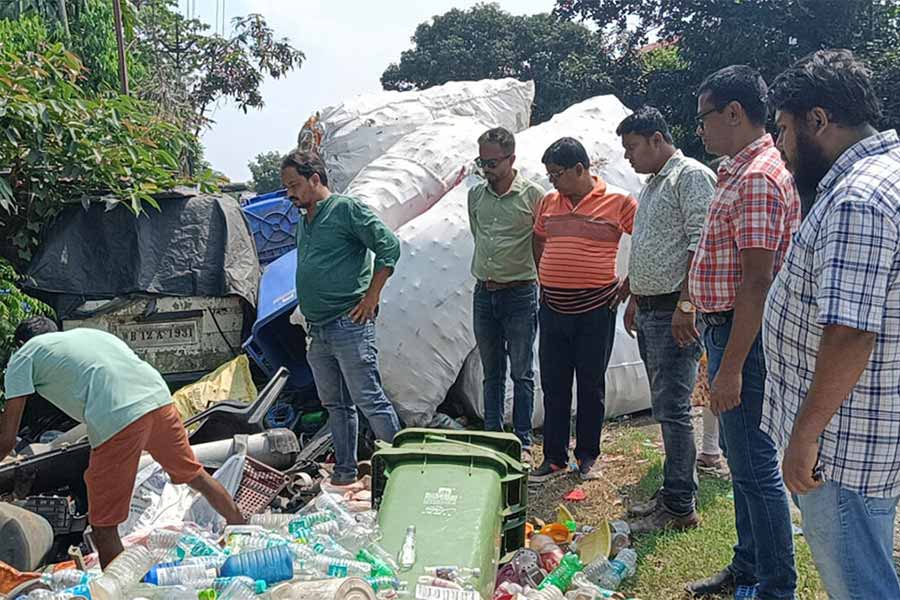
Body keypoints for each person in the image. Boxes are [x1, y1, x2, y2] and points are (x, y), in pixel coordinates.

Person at [765, 49, 900, 599]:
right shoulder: (884, 173)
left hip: (840, 445)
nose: (780, 144)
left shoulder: (856, 198)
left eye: (784, 129)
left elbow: (849, 331)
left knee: (859, 583)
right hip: (863, 427)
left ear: (817, 121)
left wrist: (805, 434)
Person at [685, 65, 799, 599]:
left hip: (742, 339)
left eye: (705, 117)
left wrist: (730, 367)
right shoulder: (739, 170)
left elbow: (756, 282)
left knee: (755, 468)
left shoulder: (757, 178)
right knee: (744, 466)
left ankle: (775, 586)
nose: (700, 129)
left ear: (734, 113)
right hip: (727, 331)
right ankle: (748, 567)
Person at [0, 319, 245, 568]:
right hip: (159, 400)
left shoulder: (23, 356)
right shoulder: (88, 335)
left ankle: (118, 590)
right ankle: (246, 534)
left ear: (20, 344)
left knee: (103, 528)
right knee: (195, 475)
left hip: (118, 416)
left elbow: (7, 440)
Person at [616, 106, 715, 533]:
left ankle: (679, 505)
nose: (628, 157)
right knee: (664, 407)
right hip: (654, 307)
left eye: (632, 147)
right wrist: (636, 294)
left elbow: (701, 243)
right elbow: (653, 246)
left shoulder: (689, 176)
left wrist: (687, 305)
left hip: (676, 309)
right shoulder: (656, 183)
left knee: (673, 409)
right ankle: (674, 489)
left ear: (657, 139)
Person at [281, 150, 401, 487]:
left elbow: (389, 247)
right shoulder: (306, 220)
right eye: (287, 187)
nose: (290, 193)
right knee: (336, 404)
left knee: (369, 399)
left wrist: (371, 296)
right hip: (318, 330)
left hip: (349, 324)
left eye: (294, 185)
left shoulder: (346, 210)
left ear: (315, 179)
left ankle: (402, 471)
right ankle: (346, 472)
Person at [530, 137, 637, 482]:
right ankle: (554, 457)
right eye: (549, 175)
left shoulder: (619, 201)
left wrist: (630, 283)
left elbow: (648, 239)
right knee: (554, 384)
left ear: (580, 169)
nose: (553, 181)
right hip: (553, 308)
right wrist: (545, 273)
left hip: (596, 308)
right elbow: (538, 237)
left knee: (591, 385)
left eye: (557, 174)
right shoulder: (549, 201)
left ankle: (588, 456)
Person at [469, 127, 545, 463]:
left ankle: (522, 441)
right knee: (492, 371)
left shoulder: (533, 196)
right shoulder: (476, 196)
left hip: (520, 294)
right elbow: (478, 234)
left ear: (512, 159)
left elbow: (541, 243)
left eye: (493, 162)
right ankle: (492, 437)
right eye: (482, 162)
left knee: (522, 371)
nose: (486, 169)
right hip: (484, 294)